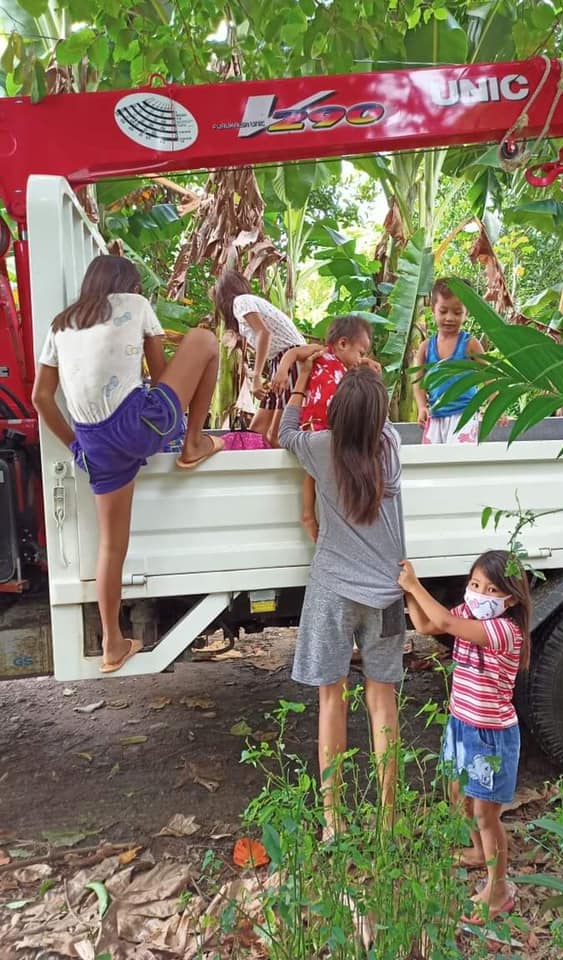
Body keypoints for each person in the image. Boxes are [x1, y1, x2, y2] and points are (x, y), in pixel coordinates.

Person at [32, 254, 222, 673]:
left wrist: (76, 446)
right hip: (138, 425)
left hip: (95, 443)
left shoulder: (60, 325)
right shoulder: (135, 305)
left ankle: (112, 645)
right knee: (205, 340)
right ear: (130, 286)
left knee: (111, 547)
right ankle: (193, 443)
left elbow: (40, 397)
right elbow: (160, 373)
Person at [279, 363, 406, 838]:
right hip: (388, 593)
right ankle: (388, 818)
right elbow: (379, 419)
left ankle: (333, 820)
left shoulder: (319, 448)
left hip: (332, 589)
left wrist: (300, 381)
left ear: (335, 414)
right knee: (383, 699)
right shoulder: (391, 447)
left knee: (331, 699)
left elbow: (285, 432)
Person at [398, 550, 532, 922]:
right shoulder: (470, 613)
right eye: (474, 584)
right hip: (461, 724)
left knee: (487, 816)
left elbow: (443, 620)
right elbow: (427, 626)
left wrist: (414, 585)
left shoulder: (504, 630)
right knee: (459, 795)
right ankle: (477, 852)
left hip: (490, 735)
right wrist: (408, 593)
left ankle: (498, 889)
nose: (479, 594)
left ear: (511, 599)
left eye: (491, 589)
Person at [271, 314, 376, 541]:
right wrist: (282, 371)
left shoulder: (347, 368)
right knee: (312, 473)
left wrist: (366, 364)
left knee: (328, 473)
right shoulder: (320, 353)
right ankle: (308, 515)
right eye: (361, 352)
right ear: (343, 343)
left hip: (333, 428)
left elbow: (360, 376)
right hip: (313, 424)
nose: (361, 358)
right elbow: (292, 353)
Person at [214, 271, 306, 446]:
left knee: (276, 436)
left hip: (290, 359)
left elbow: (264, 333)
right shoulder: (249, 303)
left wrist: (256, 377)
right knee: (257, 431)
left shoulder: (240, 301)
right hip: (279, 360)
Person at [414, 278, 485, 444]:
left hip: (464, 415)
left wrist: (496, 404)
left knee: (460, 458)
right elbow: (418, 383)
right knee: (433, 458)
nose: (450, 318)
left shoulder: (470, 344)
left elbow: (488, 375)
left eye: (457, 312)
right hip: (435, 416)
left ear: (467, 313)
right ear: (433, 309)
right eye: (443, 311)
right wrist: (422, 407)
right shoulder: (425, 347)